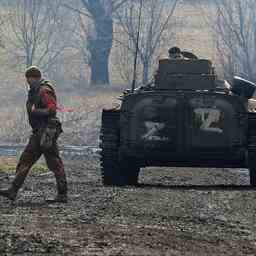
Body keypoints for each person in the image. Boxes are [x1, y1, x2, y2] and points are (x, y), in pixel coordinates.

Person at [0, 66, 68, 203]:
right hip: (39, 131)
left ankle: (62, 194)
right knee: (27, 160)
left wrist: (35, 111)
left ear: (34, 77)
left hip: (47, 131)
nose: (27, 81)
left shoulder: (44, 90)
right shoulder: (35, 91)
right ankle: (13, 190)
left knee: (53, 162)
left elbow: (52, 110)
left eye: (28, 78)